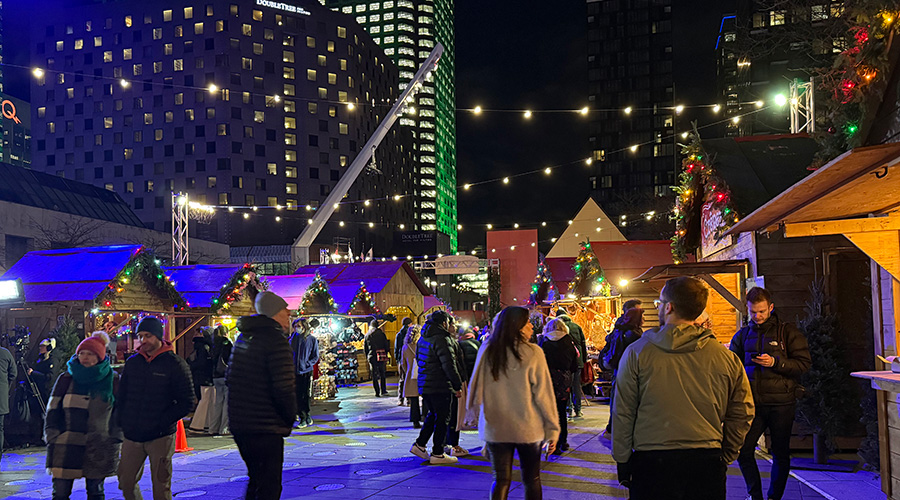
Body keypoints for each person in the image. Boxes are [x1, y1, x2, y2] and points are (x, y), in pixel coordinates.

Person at [612, 277, 754, 500]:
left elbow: (623, 410)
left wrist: (622, 457)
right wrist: (727, 451)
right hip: (706, 460)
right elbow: (743, 411)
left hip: (651, 460)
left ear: (669, 307)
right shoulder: (726, 358)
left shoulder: (637, 353)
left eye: (659, 304)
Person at [466, 306, 559, 500]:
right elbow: (544, 395)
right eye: (527, 323)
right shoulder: (533, 352)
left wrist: (475, 417)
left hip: (496, 426)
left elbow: (477, 387)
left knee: (500, 480)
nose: (532, 327)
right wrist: (552, 429)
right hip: (528, 426)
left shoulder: (488, 350)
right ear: (517, 326)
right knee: (531, 479)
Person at [731, 287, 811, 500]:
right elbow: (731, 365)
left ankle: (774, 497)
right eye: (753, 312)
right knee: (744, 450)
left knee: (780, 454)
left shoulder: (788, 332)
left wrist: (776, 362)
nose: (757, 316)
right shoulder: (743, 334)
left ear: (771, 308)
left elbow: (803, 364)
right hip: (754, 404)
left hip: (782, 404)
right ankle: (755, 495)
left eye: (762, 312)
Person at [227, 291, 297, 500]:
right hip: (266, 427)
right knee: (268, 486)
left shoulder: (244, 338)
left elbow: (232, 379)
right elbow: (284, 387)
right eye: (285, 312)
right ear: (274, 313)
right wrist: (289, 418)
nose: (288, 317)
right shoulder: (275, 340)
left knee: (256, 480)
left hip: (242, 426)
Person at [117, 317, 195, 500]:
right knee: (126, 481)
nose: (143, 340)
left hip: (160, 435)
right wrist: (122, 421)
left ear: (158, 336)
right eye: (140, 336)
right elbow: (122, 395)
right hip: (133, 434)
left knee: (161, 485)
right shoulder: (133, 363)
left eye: (148, 336)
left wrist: (163, 421)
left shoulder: (175, 364)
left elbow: (187, 401)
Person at [45, 332, 121, 500]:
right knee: (60, 493)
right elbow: (53, 409)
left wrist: (115, 436)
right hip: (66, 444)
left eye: (90, 354)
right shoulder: (66, 379)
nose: (84, 357)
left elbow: (120, 411)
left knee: (95, 491)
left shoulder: (113, 380)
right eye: (81, 353)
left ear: (99, 356)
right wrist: (53, 435)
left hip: (99, 445)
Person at [410, 310, 463, 464]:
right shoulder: (443, 339)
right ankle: (437, 452)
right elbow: (449, 365)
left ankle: (420, 444)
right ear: (444, 323)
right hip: (440, 385)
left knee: (433, 415)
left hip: (425, 384)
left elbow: (419, 360)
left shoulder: (423, 338)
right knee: (442, 418)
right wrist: (457, 385)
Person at [538, 317, 580, 455]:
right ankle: (562, 441)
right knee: (561, 411)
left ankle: (549, 442)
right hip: (564, 380)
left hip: (547, 379)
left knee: (547, 412)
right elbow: (574, 365)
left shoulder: (543, 342)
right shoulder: (569, 342)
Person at [603, 307, 644, 434]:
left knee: (617, 398)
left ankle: (613, 425)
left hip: (618, 369)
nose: (644, 319)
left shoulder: (620, 330)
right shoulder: (632, 334)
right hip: (627, 370)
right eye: (642, 317)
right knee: (625, 400)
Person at [556, 309, 586, 419]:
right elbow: (583, 343)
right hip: (578, 360)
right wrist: (584, 359)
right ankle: (578, 409)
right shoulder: (576, 326)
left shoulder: (559, 328)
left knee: (566, 385)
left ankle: (568, 409)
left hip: (566, 361)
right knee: (576, 385)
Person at [289, 318, 319, 428]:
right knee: (297, 395)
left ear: (304, 326)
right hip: (295, 371)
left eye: (299, 326)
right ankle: (302, 417)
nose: (297, 328)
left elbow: (315, 356)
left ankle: (307, 415)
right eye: (295, 326)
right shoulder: (292, 340)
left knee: (306, 394)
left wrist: (308, 363)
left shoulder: (312, 340)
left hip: (306, 371)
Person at [445, 326, 469, 458]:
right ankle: (453, 445)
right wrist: (458, 383)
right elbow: (452, 365)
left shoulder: (427, 340)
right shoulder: (449, 342)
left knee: (444, 416)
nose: (454, 326)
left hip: (435, 383)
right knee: (454, 414)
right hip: (452, 382)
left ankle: (444, 445)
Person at [207, 325, 232, 436]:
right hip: (226, 375)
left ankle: (213, 428)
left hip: (215, 376)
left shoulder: (214, 344)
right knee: (226, 403)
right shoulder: (227, 343)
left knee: (217, 403)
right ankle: (224, 428)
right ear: (225, 333)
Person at [399, 325, 422, 428]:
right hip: (422, 373)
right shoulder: (421, 345)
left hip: (411, 375)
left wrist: (408, 370)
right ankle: (426, 416)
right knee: (426, 398)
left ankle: (415, 420)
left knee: (414, 400)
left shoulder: (405, 347)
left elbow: (403, 363)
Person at [364, 319, 390, 397]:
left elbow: (365, 348)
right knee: (382, 373)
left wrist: (367, 356)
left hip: (372, 355)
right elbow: (386, 344)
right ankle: (383, 390)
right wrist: (386, 352)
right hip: (381, 354)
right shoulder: (381, 334)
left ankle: (377, 391)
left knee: (374, 374)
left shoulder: (367, 335)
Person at [0, 342, 16, 465]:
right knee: (0, 428)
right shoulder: (5, 353)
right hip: (1, 397)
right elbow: (13, 374)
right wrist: (6, 387)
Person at [188, 329, 213, 405]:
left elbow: (200, 362)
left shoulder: (199, 346)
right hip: (203, 375)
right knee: (204, 399)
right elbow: (203, 362)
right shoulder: (205, 346)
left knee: (201, 398)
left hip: (198, 374)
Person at [28, 338, 56, 405]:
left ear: (49, 347)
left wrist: (33, 373)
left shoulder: (52, 361)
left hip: (46, 392)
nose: (40, 348)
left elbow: (49, 377)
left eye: (43, 346)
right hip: (38, 390)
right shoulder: (40, 359)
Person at [395, 317, 414, 405]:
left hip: (401, 359)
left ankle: (400, 398)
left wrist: (397, 359)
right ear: (409, 324)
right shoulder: (411, 333)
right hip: (410, 358)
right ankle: (409, 399)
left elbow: (396, 348)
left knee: (402, 379)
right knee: (409, 378)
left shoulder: (399, 334)